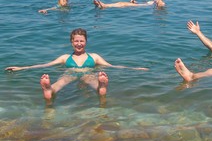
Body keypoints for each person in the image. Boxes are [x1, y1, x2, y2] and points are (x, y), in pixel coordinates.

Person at [5, 28, 148, 105]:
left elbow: (113, 66)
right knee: (60, 82)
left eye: (81, 41)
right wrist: (22, 68)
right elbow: (45, 65)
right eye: (76, 41)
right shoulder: (65, 57)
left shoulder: (94, 57)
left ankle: (101, 87)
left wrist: (135, 69)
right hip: (70, 73)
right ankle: (49, 89)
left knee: (92, 80)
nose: (79, 44)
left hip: (87, 74)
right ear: (71, 42)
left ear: (86, 42)